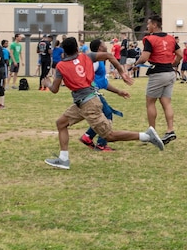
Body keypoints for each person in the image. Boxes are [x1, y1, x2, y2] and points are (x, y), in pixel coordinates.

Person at [44, 36, 162, 169]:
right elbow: (108, 55)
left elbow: (54, 89)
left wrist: (47, 82)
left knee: (110, 136)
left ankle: (147, 136)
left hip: (88, 104)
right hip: (84, 102)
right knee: (61, 123)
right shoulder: (86, 57)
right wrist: (121, 73)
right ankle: (63, 159)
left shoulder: (61, 66)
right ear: (77, 48)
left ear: (63, 51)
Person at [135, 12, 182, 146]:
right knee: (166, 103)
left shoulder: (150, 39)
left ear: (154, 25)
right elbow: (180, 54)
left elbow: (144, 57)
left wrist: (135, 64)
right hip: (170, 72)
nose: (147, 26)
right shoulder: (171, 38)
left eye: (149, 24)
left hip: (158, 73)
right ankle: (170, 129)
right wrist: (173, 64)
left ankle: (152, 132)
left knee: (150, 102)